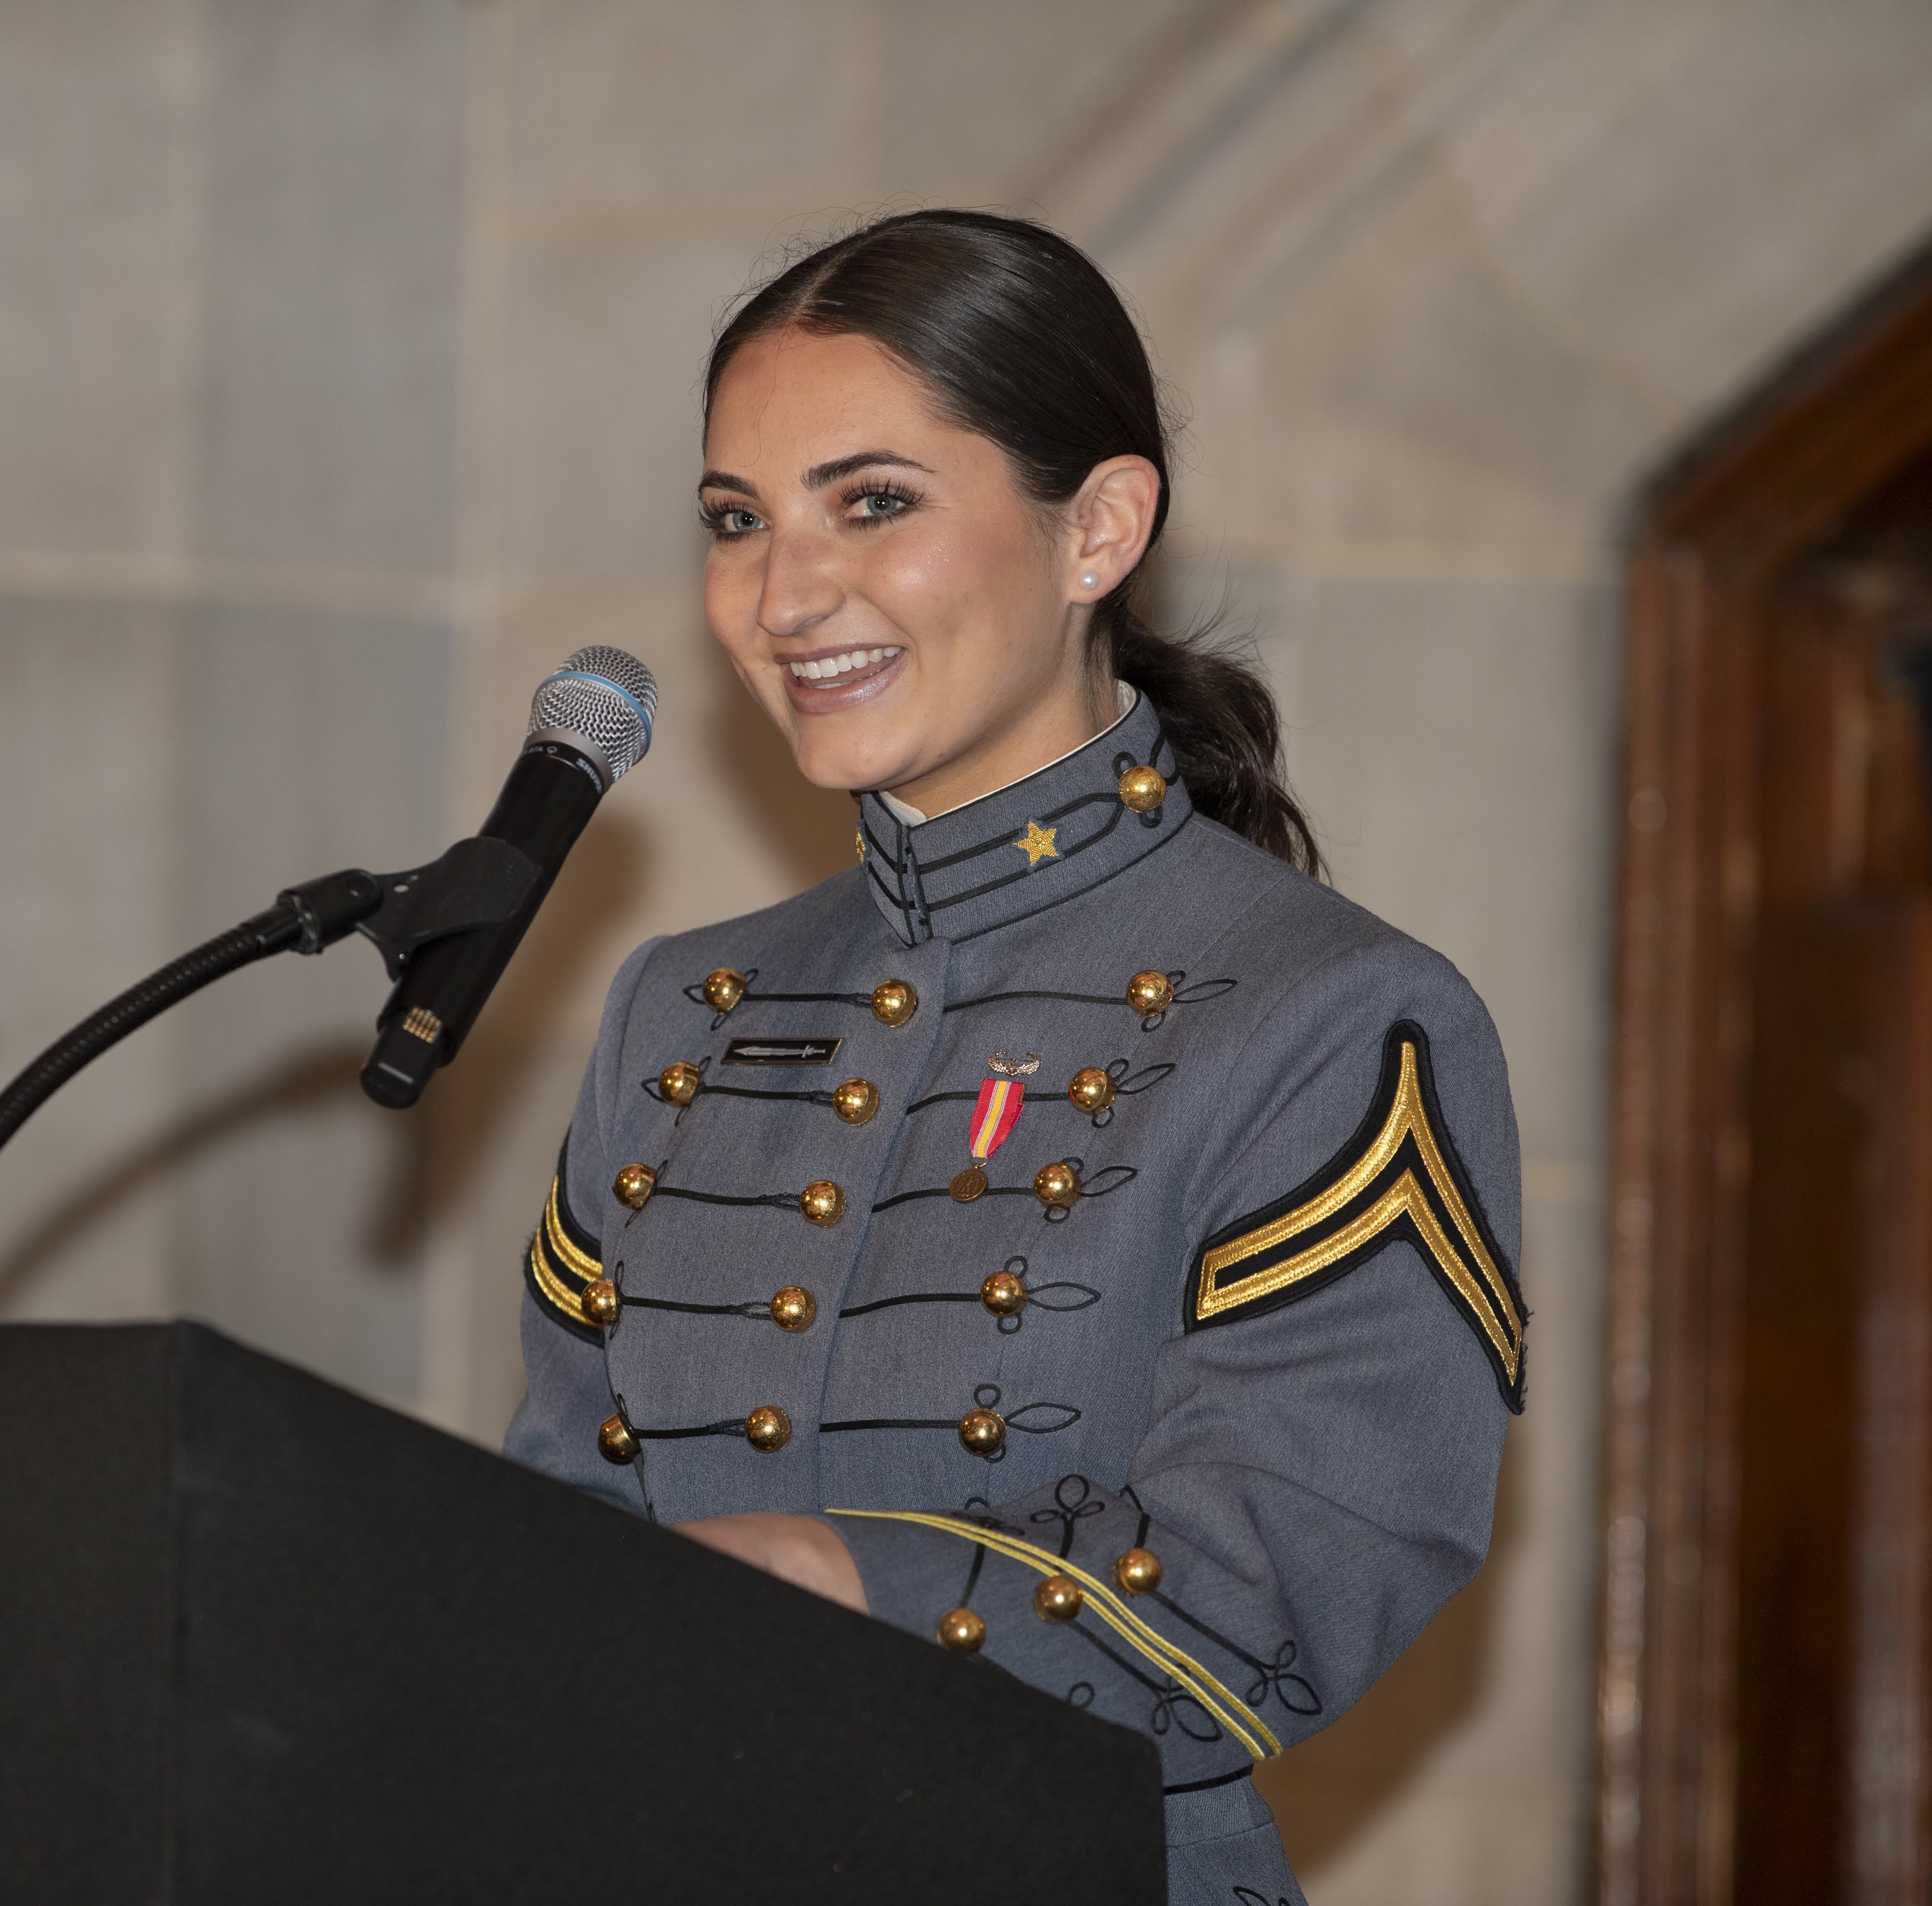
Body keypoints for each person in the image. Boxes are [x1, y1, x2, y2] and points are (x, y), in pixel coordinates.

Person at [502, 210, 1524, 1902]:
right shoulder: (677, 1009)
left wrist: (833, 1576)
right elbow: (551, 1537)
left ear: (1097, 529)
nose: (783, 591)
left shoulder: (1330, 1014)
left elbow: (1278, 1580)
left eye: (874, 501)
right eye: (734, 519)